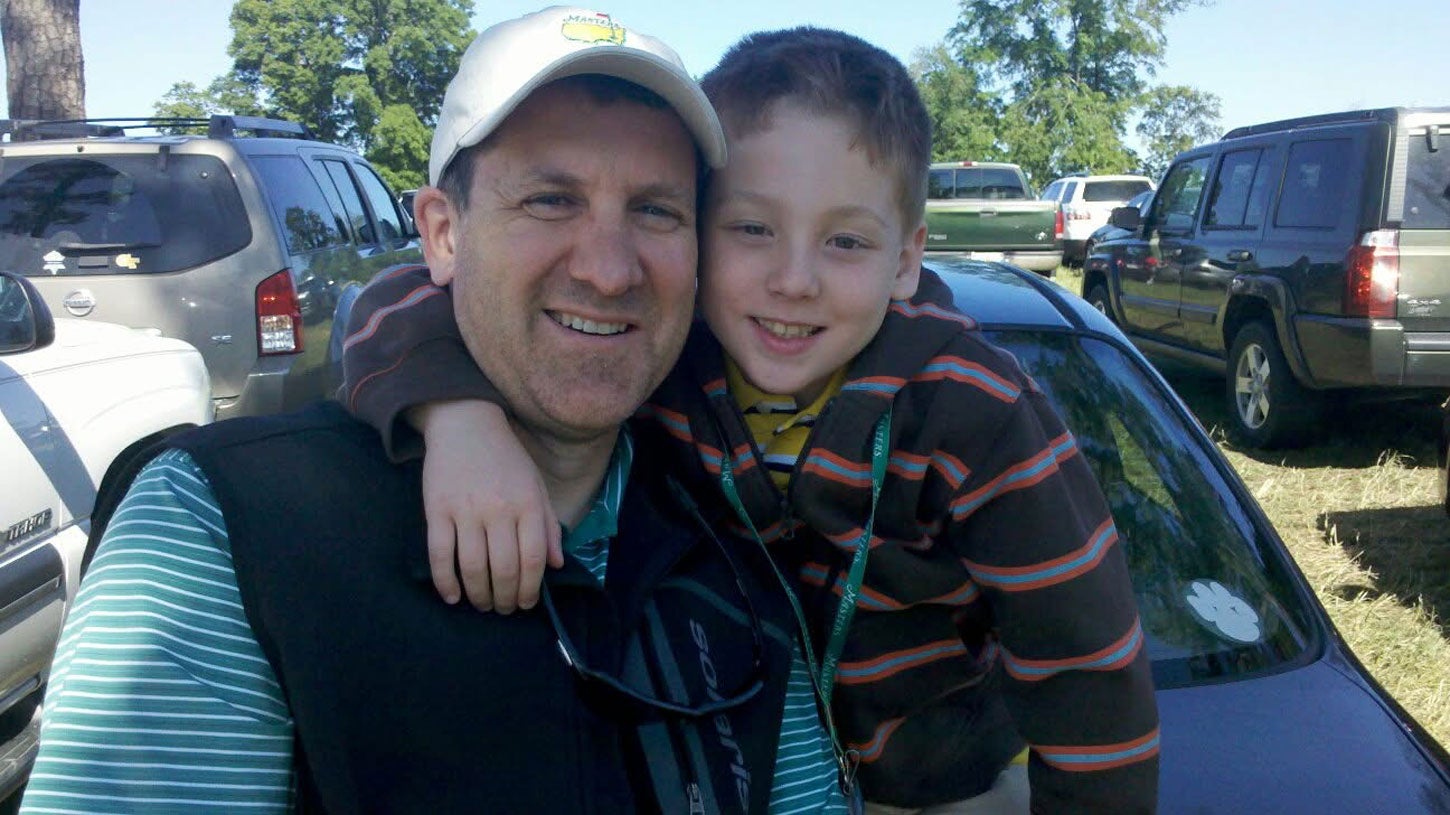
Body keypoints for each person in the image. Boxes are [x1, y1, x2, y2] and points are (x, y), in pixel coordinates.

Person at [19, 8, 848, 814]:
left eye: (656, 209)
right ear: (442, 234)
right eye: (550, 200)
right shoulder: (228, 529)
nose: (608, 268)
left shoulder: (735, 535)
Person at [341, 23, 1161, 815]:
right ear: (697, 234)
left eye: (844, 242)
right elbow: (400, 295)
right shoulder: (667, 356)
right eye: (752, 228)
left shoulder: (974, 412)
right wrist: (457, 419)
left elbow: (1088, 668)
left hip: (947, 785)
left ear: (906, 260)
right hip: (738, 766)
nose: (793, 280)